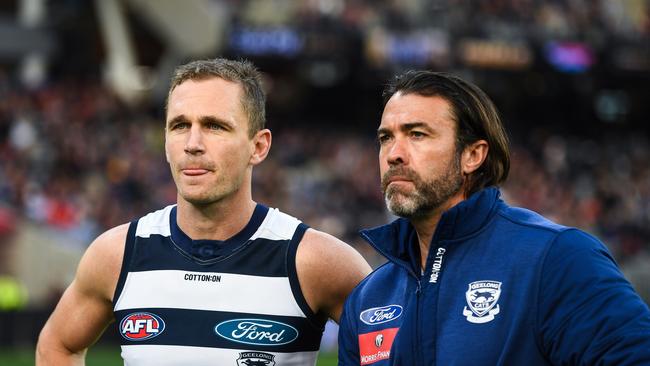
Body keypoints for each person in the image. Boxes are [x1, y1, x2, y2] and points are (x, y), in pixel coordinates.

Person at [36, 58, 371, 366]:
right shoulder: (118, 254)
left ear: (259, 146)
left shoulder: (316, 261)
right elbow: (57, 345)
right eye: (180, 125)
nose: (192, 143)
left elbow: (398, 352)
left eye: (214, 126)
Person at [337, 70, 650, 365]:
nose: (393, 153)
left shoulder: (556, 258)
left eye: (417, 134)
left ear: (473, 155)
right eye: (385, 138)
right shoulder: (368, 298)